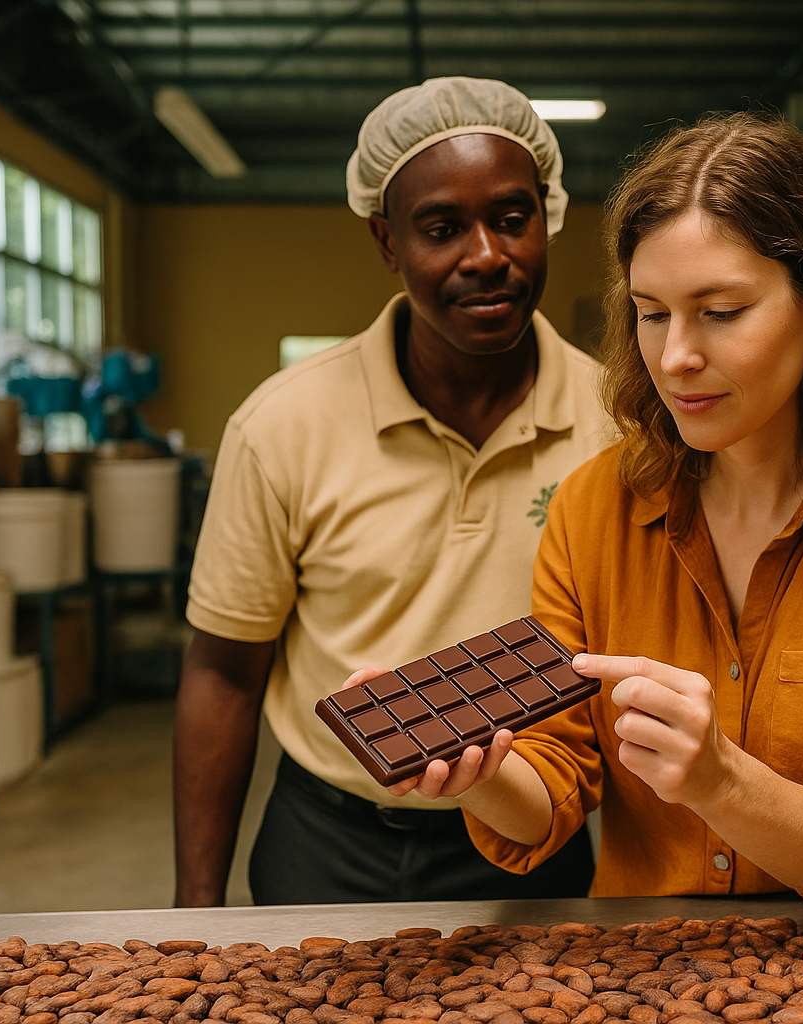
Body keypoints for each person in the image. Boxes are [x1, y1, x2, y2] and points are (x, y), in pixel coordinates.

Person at [368, 111, 803, 926]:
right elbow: (556, 775)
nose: (675, 357)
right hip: (649, 962)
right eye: (652, 312)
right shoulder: (591, 509)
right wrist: (482, 771)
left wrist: (719, 781)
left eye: (722, 311)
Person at [174, 77, 609, 907]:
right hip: (329, 838)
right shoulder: (282, 426)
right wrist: (194, 908)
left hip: (532, 832)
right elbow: (224, 673)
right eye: (442, 228)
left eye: (511, 218)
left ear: (546, 216)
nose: (486, 255)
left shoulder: (619, 425)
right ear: (387, 240)